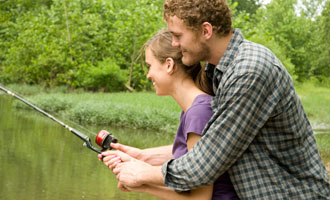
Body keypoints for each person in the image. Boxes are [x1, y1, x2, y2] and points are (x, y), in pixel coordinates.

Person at [104, 0, 330, 199]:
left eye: (178, 35)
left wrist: (142, 173)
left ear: (205, 31)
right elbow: (211, 144)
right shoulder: (219, 71)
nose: (173, 44)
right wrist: (144, 156)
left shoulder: (250, 71)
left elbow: (202, 166)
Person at [99, 30, 240, 199]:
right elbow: (187, 160)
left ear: (169, 65)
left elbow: (199, 198)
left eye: (150, 66)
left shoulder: (198, 113)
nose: (148, 75)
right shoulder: (194, 109)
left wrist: (143, 184)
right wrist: (142, 158)